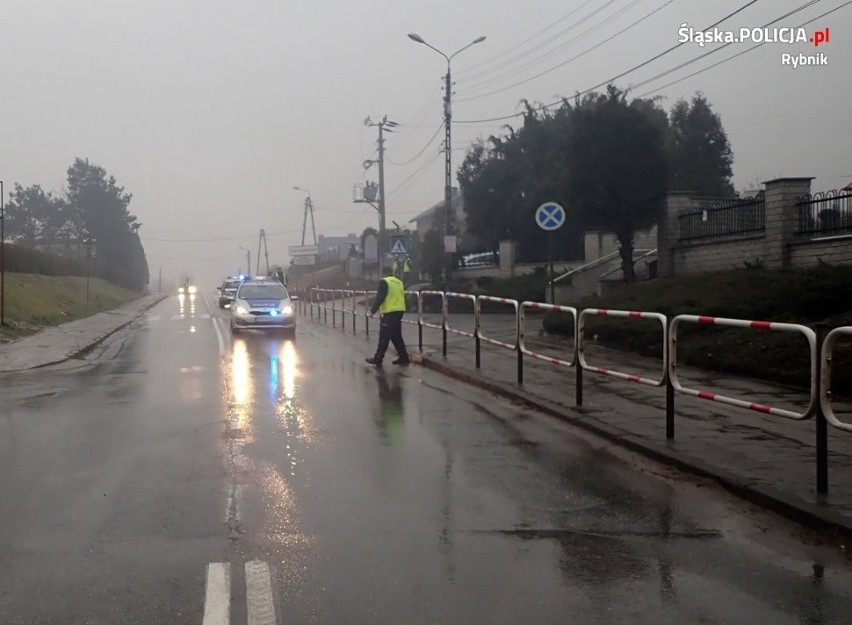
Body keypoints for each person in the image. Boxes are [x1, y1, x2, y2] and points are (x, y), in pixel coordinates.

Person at [365, 266, 410, 367]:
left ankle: (378, 358)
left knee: (384, 337)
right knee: (396, 336)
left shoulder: (384, 282)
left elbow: (380, 297)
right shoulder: (399, 282)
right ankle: (404, 357)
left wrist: (372, 311)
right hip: (399, 311)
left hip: (390, 312)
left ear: (383, 273)